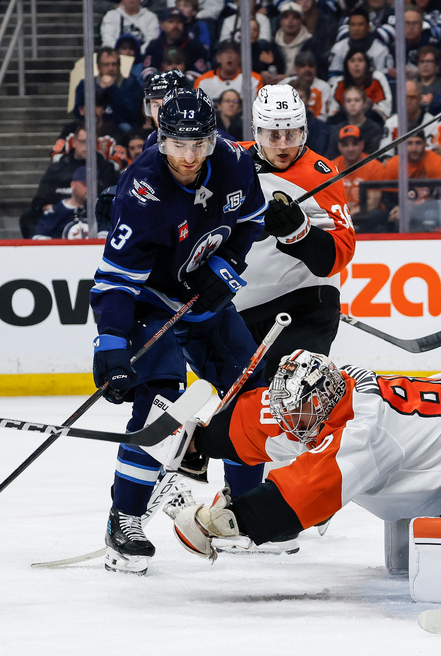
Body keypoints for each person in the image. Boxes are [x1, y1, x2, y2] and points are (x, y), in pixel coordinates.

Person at [89, 88, 269, 575]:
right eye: (177, 145)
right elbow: (116, 281)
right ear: (161, 140)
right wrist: (111, 345)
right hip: (150, 298)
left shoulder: (233, 161)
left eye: (199, 144)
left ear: (214, 139)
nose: (189, 157)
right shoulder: (142, 189)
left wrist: (228, 267)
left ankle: (247, 508)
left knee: (249, 392)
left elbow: (252, 219)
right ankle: (123, 519)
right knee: (164, 401)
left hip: (200, 297)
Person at [170, 351, 441, 565]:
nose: (291, 424)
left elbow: (301, 498)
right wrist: (201, 443)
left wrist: (218, 521)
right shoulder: (328, 390)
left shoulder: (365, 432)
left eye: (300, 416)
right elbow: (263, 418)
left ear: (325, 402)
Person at [233, 84, 356, 377]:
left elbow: (339, 254)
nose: (284, 144)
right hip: (239, 310)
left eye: (293, 133)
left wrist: (299, 232)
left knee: (290, 399)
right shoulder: (231, 161)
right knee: (243, 409)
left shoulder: (319, 173)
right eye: (274, 135)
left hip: (304, 303)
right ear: (256, 131)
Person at [21, 124, 121, 238]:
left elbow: (114, 196)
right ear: (74, 142)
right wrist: (48, 206)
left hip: (95, 214)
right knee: (28, 218)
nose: (87, 146)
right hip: (61, 214)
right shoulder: (58, 168)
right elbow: (40, 200)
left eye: (91, 142)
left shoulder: (106, 168)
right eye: (83, 142)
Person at [329, 124, 384, 222]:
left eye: (355, 144)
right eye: (346, 144)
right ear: (339, 146)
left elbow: (373, 202)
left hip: (365, 218)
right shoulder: (331, 167)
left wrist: (351, 214)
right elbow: (327, 199)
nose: (350, 149)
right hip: (338, 218)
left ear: (362, 144)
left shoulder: (374, 166)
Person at [32, 167, 103, 240]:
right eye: (85, 184)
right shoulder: (55, 212)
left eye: (93, 185)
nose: (90, 189)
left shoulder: (100, 210)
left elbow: (106, 234)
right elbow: (38, 237)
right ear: (73, 185)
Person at [142, 8, 210, 81]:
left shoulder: (195, 46)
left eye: (179, 22)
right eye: (171, 22)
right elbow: (147, 71)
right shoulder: (154, 45)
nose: (175, 25)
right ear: (162, 25)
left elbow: (199, 73)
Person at [193, 39, 262, 104]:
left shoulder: (254, 80)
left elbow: (261, 110)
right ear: (218, 58)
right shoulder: (202, 82)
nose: (229, 56)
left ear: (240, 58)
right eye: (225, 52)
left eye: (233, 52)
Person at [327, 85, 385, 156]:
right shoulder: (337, 130)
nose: (352, 104)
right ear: (344, 104)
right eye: (348, 101)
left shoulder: (375, 129)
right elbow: (331, 156)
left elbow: (374, 157)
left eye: (357, 100)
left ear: (364, 103)